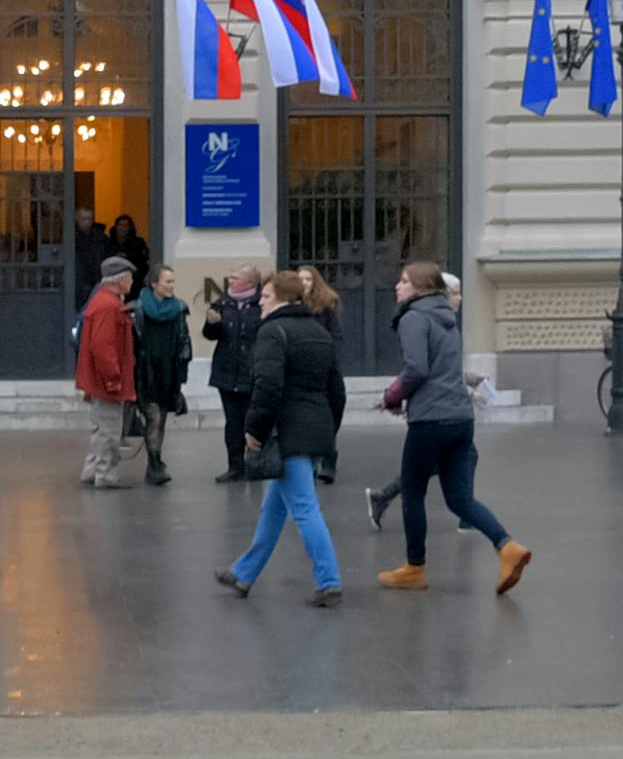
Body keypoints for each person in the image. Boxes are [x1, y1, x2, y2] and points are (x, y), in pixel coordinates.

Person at [364, 259, 532, 593]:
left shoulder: (414, 318)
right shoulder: (446, 319)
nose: (397, 287)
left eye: (403, 281)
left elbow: (416, 369)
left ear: (421, 288)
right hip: (460, 418)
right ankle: (508, 547)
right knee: (460, 499)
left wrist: (392, 397)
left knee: (413, 492)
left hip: (431, 419)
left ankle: (415, 568)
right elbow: (446, 370)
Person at [222, 266, 347, 606]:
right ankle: (244, 574)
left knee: (305, 509)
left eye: (264, 296)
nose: (260, 302)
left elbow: (268, 386)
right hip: (314, 428)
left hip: (286, 433)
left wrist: (254, 430)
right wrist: (329, 429)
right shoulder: (319, 332)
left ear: (281, 298)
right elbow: (337, 389)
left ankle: (329, 580)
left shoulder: (273, 331)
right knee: (273, 508)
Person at [73, 254, 138, 488]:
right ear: (119, 280)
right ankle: (106, 474)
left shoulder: (101, 302)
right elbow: (103, 347)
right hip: (105, 381)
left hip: (97, 379)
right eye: (130, 278)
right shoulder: (109, 306)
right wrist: (113, 379)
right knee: (110, 430)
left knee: (100, 428)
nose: (132, 283)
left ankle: (91, 470)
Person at [131, 263, 192, 487]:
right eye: (167, 281)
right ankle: (155, 464)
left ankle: (154, 463)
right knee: (153, 417)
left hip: (168, 371)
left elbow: (185, 342)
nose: (171, 286)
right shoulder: (138, 308)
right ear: (154, 284)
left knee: (161, 419)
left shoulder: (178, 309)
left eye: (172, 282)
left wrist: (182, 374)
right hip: (145, 371)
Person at [203, 263, 265, 481]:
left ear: (250, 282)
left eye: (236, 278)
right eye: (230, 277)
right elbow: (210, 335)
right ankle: (235, 466)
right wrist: (212, 324)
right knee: (233, 422)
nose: (230, 281)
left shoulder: (261, 304)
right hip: (227, 372)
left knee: (253, 420)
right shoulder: (222, 303)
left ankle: (255, 463)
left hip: (252, 371)